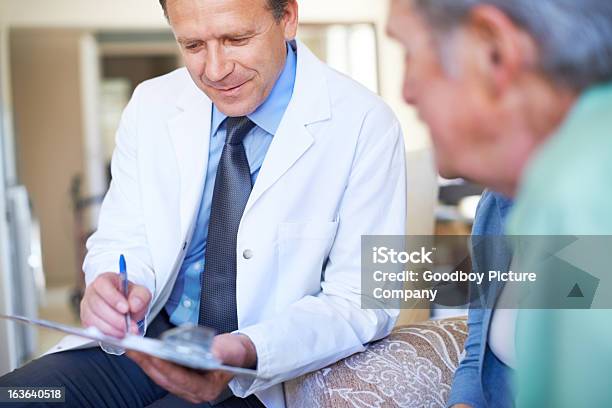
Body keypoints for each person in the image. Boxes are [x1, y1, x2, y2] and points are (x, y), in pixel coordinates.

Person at [0, 0, 407, 407]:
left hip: (258, 367)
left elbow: (368, 300)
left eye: (236, 39)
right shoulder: (150, 104)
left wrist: (248, 349)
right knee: (19, 397)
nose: (214, 70)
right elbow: (123, 237)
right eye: (193, 45)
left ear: (288, 18)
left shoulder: (367, 125)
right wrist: (113, 284)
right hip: (149, 344)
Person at [386, 0, 612, 407]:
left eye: (410, 52)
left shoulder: (578, 192)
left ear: (494, 51)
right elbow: (482, 341)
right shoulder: (511, 196)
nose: (406, 90)